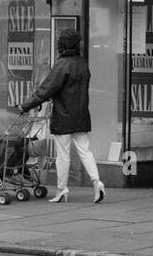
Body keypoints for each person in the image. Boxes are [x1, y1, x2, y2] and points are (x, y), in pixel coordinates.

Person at [19, 29, 105, 204]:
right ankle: (97, 181)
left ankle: (62, 189)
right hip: (81, 115)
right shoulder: (82, 63)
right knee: (85, 151)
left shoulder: (61, 64)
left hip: (64, 115)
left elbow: (46, 89)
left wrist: (25, 105)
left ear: (62, 45)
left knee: (63, 155)